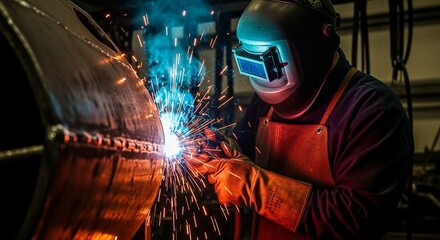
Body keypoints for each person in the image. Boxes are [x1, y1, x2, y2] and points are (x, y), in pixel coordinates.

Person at [184, 0, 414, 239]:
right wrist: (217, 151)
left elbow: (355, 220)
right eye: (251, 63)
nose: (262, 77)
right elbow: (244, 155)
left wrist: (256, 187)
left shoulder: (372, 111)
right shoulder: (265, 102)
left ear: (309, 49)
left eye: (267, 64)